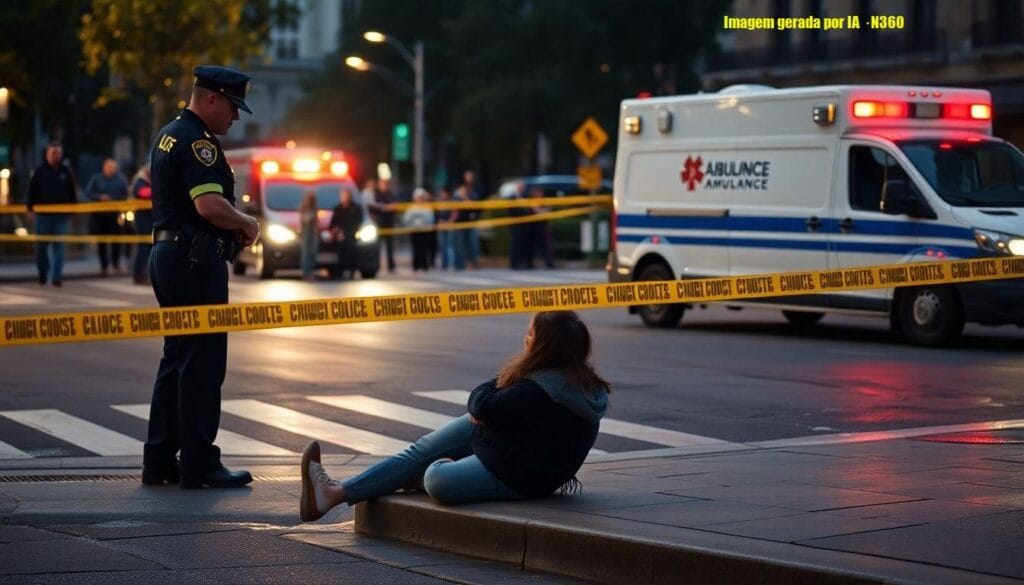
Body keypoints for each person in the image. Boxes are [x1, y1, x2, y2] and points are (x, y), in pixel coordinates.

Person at [299, 310, 611, 520]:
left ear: (543, 347)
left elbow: (481, 401)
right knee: (421, 449)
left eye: (530, 335)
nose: (525, 340)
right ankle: (334, 493)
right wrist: (490, 406)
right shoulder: (574, 383)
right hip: (514, 450)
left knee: (436, 477)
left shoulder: (539, 390)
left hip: (516, 477)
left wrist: (494, 400)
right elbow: (488, 405)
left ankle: (414, 476)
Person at [143, 65, 260, 490]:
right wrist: (247, 223)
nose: (236, 116)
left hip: (169, 255)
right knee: (203, 363)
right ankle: (198, 462)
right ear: (211, 98)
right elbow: (209, 205)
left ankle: (158, 460)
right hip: (193, 262)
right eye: (232, 106)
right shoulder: (198, 143)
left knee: (177, 359)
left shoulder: (170, 132)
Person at [26, 142, 78, 287]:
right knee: (41, 247)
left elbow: (71, 192)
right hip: (43, 215)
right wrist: (29, 208)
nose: (56, 156)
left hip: (61, 216)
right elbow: (31, 190)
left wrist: (74, 211)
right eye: (53, 153)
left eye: (58, 153)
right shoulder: (39, 171)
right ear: (47, 154)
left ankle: (56, 276)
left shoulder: (65, 171)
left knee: (59, 246)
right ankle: (43, 271)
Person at [85, 158, 130, 276]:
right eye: (109, 167)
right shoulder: (96, 179)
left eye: (113, 167)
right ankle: (104, 266)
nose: (111, 169)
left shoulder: (121, 180)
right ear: (104, 167)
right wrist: (100, 197)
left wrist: (114, 200)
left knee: (117, 241)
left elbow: (125, 195)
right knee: (102, 242)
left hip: (115, 215)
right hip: (99, 216)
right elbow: (89, 193)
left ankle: (116, 264)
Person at [329, 187, 363, 279]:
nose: (344, 197)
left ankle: (351, 271)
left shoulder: (356, 209)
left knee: (351, 252)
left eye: (346, 195)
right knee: (340, 253)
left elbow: (359, 221)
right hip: (340, 236)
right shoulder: (338, 209)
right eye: (342, 195)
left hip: (351, 235)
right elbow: (333, 223)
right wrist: (336, 231)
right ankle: (339, 271)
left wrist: (351, 231)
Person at [130, 164, 153, 285]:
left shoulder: (149, 182)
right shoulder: (140, 181)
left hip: (149, 219)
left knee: (147, 249)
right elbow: (144, 193)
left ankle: (142, 275)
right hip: (142, 221)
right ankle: (139, 275)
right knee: (143, 250)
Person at [402, 187, 435, 271]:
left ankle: (424, 266)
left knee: (424, 249)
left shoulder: (427, 207)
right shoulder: (411, 208)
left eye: (421, 197)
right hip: (414, 230)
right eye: (418, 197)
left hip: (424, 231)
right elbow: (406, 219)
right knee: (416, 249)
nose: (420, 199)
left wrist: (420, 221)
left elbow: (430, 219)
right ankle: (416, 266)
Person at [369, 178, 396, 272]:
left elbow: (393, 206)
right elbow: (375, 207)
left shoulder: (391, 194)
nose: (383, 186)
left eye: (385, 184)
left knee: (390, 246)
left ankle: (391, 266)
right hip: (379, 223)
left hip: (389, 223)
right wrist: (384, 207)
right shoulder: (377, 195)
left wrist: (383, 207)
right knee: (377, 246)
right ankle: (376, 265)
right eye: (381, 184)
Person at [459, 170, 482, 269]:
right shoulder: (461, 188)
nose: (469, 178)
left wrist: (465, 198)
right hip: (462, 220)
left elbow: (476, 204)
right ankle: (464, 263)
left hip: (472, 220)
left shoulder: (476, 189)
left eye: (470, 176)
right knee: (463, 243)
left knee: (473, 243)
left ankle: (474, 262)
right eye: (467, 176)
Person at [298, 189, 319, 281]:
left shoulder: (314, 209)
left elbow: (316, 222)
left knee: (312, 253)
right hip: (306, 234)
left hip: (313, 234)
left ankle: (310, 272)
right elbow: (304, 220)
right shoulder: (304, 208)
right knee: (306, 253)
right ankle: (307, 273)